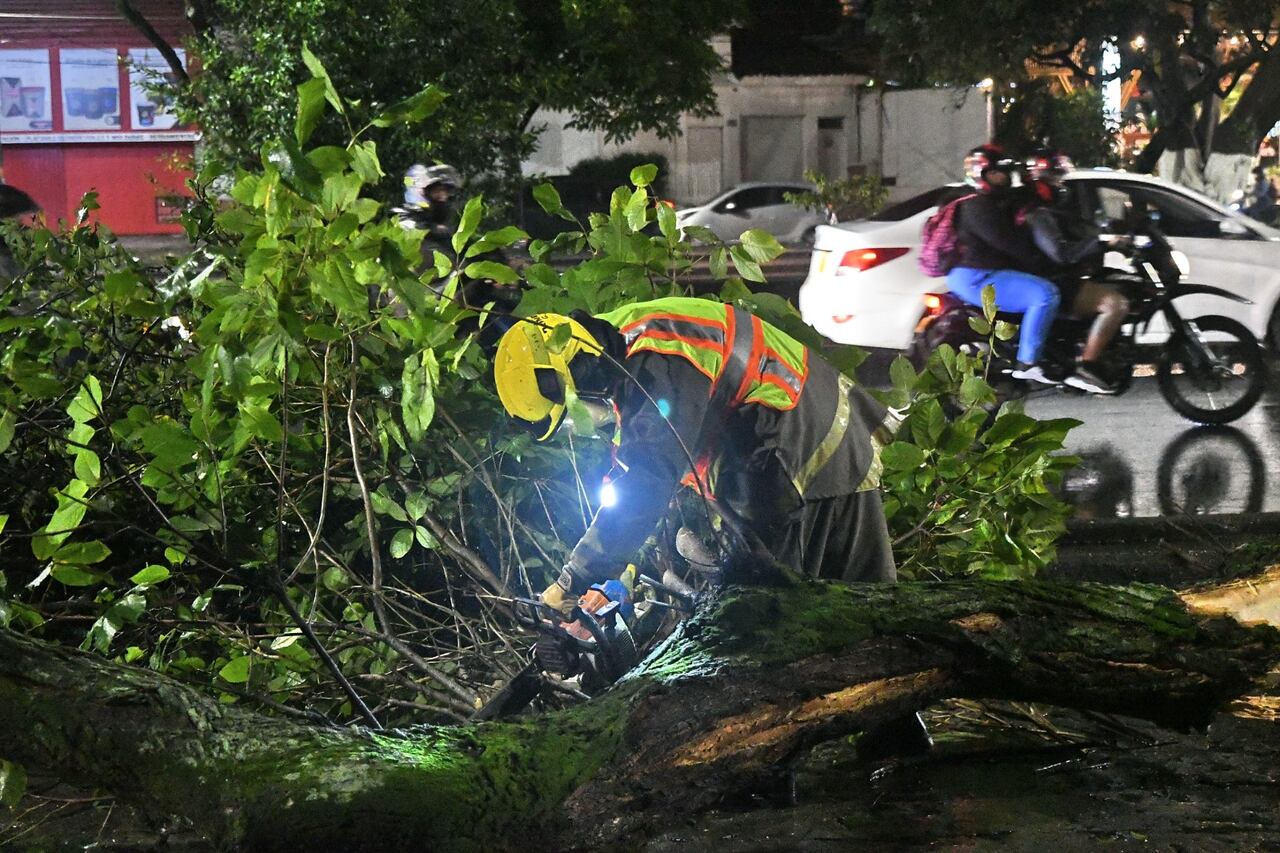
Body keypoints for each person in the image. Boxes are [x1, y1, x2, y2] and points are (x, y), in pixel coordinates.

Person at [491, 297, 899, 613]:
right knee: (861, 618)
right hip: (796, 448)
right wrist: (620, 577)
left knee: (777, 616)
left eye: (569, 416)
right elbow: (645, 486)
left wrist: (577, 575)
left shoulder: (656, 365)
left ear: (579, 374)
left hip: (801, 451)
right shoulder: (622, 350)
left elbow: (649, 480)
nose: (578, 428)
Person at [947, 144, 1062, 385]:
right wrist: (1042, 261)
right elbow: (1009, 242)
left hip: (971, 274)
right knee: (1045, 295)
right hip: (977, 277)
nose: (1005, 177)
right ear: (983, 174)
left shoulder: (979, 201)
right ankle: (1027, 362)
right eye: (998, 172)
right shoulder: (978, 206)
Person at [1021, 149, 1130, 395]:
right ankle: (1087, 366)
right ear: (1041, 179)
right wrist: (1101, 243)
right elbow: (1061, 253)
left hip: (1053, 275)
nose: (1061, 186)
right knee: (1116, 304)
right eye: (1056, 179)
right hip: (1050, 279)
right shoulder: (1037, 212)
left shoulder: (1047, 209)